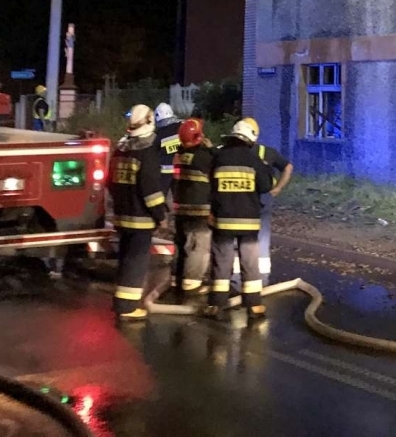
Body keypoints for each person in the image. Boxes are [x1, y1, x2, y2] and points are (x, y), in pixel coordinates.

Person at [206, 118, 273, 321]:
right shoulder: (253, 159)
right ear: (249, 138)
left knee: (221, 262)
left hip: (222, 220)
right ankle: (253, 306)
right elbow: (266, 186)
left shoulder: (218, 157)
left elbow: (209, 185)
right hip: (248, 221)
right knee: (250, 263)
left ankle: (216, 305)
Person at [108, 104, 169, 321]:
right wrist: (160, 216)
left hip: (122, 214)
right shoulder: (147, 151)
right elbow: (150, 188)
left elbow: (110, 182)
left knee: (125, 260)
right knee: (136, 263)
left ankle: (120, 303)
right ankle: (127, 308)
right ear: (150, 121)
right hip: (141, 218)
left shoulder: (121, 148)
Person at [242, 117, 293, 282]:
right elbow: (288, 166)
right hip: (263, 199)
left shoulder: (233, 152)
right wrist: (278, 188)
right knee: (262, 236)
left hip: (241, 199)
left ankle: (240, 275)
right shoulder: (267, 152)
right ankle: (262, 276)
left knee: (241, 235)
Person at [169, 117, 214, 300]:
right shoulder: (204, 156)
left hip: (181, 209)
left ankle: (177, 279)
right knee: (198, 247)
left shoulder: (178, 154)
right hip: (200, 210)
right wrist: (210, 148)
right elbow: (217, 166)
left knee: (182, 245)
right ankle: (192, 284)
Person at [154, 103, 181, 190]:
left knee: (161, 198)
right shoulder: (182, 128)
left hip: (164, 173)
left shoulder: (158, 135)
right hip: (181, 170)